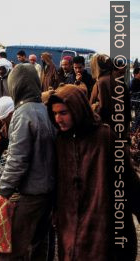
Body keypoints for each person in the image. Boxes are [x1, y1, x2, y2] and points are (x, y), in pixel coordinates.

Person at [47, 85, 140, 261]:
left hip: (101, 224)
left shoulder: (105, 137)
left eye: (63, 112)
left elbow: (129, 181)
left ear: (77, 109)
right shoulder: (60, 141)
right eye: (55, 113)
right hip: (71, 224)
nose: (58, 119)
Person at [0, 64, 56, 261]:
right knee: (39, 243)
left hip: (31, 194)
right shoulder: (45, 110)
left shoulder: (22, 114)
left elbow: (17, 160)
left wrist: (2, 191)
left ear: (15, 85)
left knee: (8, 249)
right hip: (48, 191)